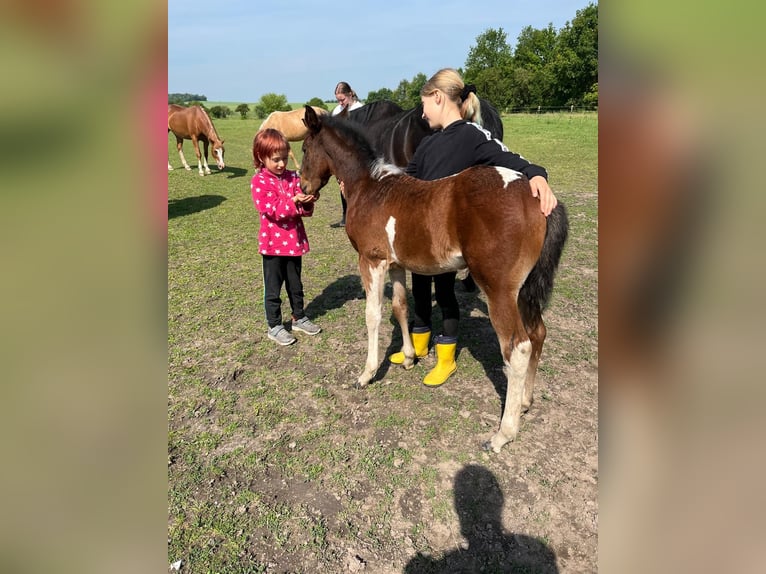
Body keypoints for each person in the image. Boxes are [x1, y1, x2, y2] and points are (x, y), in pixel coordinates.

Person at [389, 68, 558, 387]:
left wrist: (537, 174)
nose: (422, 113)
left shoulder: (472, 135)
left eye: (424, 104)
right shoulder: (427, 144)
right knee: (420, 289)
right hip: (420, 234)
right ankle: (419, 340)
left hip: (449, 234)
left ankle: (446, 356)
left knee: (446, 293)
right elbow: (406, 180)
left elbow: (511, 158)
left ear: (437, 98)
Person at [251, 128, 322, 346]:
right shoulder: (259, 181)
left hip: (294, 243)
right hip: (272, 246)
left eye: (284, 158)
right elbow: (271, 210)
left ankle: (299, 317)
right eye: (275, 160)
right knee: (273, 288)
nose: (282, 164)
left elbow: (302, 209)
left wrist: (308, 199)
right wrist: (294, 202)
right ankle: (274, 326)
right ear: (261, 158)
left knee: (295, 284)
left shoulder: (293, 177)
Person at [330, 82, 364, 227]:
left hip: (358, 155)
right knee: (343, 186)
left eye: (342, 99)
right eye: (338, 100)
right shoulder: (337, 111)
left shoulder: (361, 110)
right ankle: (346, 217)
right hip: (342, 156)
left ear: (350, 95)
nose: (340, 103)